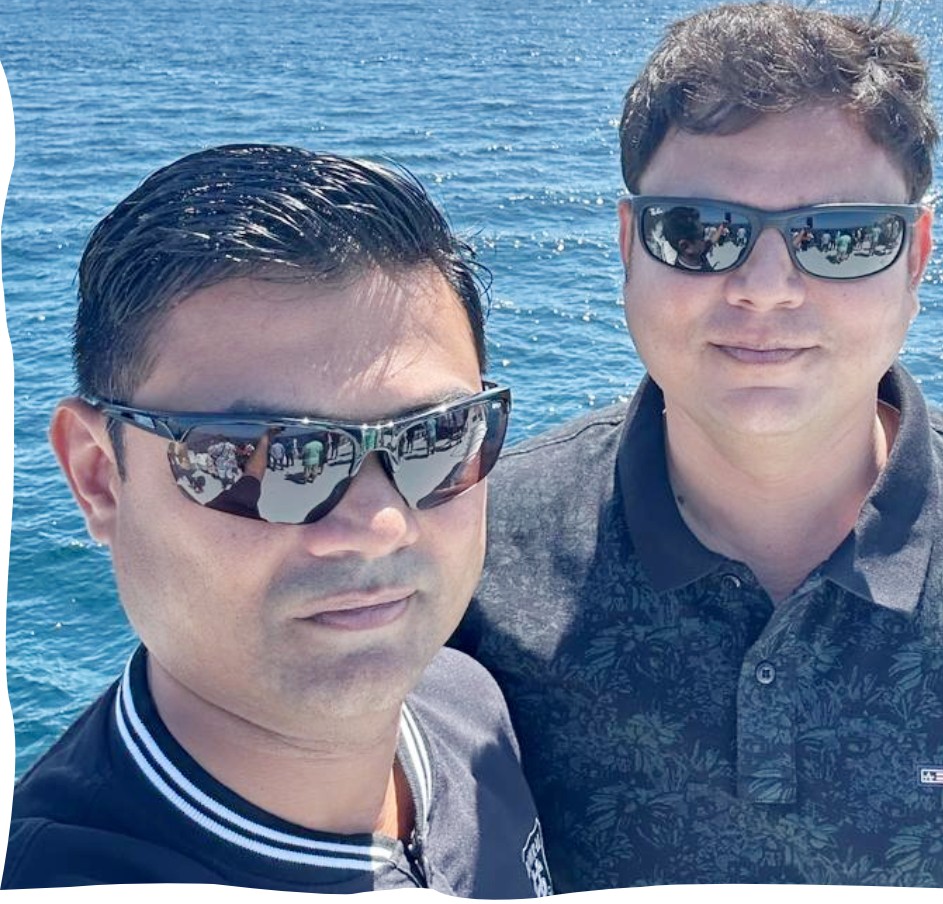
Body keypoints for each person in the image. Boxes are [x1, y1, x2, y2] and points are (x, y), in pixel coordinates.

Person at [452, 1, 943, 890]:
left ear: (916, 258)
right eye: (698, 230)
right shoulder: (465, 554)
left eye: (843, 236)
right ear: (629, 247)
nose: (767, 288)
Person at [4, 144, 553, 896]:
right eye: (267, 458)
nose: (379, 524)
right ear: (99, 476)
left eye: (438, 437)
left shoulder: (466, 705)